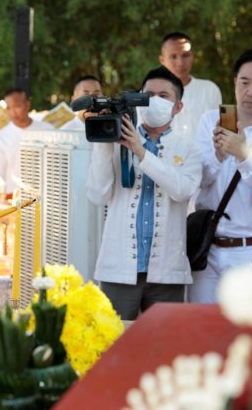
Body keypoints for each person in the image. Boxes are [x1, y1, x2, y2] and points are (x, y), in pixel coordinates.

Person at [86, 66, 201, 320]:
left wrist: (141, 152)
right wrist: (104, 147)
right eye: (148, 95)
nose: (154, 101)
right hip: (119, 268)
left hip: (167, 273)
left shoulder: (189, 149)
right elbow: (97, 195)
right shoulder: (117, 140)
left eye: (164, 96)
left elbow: (182, 191)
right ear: (138, 98)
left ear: (178, 107)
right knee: (112, 344)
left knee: (164, 348)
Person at [189, 49, 252, 303]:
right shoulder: (211, 120)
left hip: (251, 253)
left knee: (243, 333)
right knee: (201, 328)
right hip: (206, 249)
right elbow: (196, 180)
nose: (251, 91)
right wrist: (219, 155)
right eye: (244, 82)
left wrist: (243, 155)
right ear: (234, 83)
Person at [0, 89, 54, 193]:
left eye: (17, 106)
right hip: (14, 199)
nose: (13, 112)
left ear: (27, 105)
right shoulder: (1, 137)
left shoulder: (48, 131)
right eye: (8, 108)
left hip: (45, 196)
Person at [159, 32, 222, 138]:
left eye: (185, 55)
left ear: (192, 56)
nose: (180, 63)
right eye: (173, 57)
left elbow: (219, 132)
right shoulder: (150, 95)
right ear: (162, 60)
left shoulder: (210, 90)